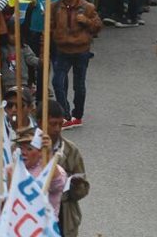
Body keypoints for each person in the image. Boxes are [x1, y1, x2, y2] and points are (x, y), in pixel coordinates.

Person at [51, 0, 102, 128]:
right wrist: (45, 52)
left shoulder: (87, 7)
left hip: (81, 51)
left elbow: (97, 27)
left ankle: (77, 115)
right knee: (57, 82)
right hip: (62, 50)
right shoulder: (55, 7)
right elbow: (49, 29)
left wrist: (86, 21)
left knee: (79, 85)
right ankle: (65, 115)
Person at [43, 101, 90, 237]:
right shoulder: (28, 149)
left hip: (63, 216)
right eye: (52, 124)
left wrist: (75, 186)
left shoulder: (71, 151)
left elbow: (83, 188)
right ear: (41, 122)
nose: (57, 129)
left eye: (60, 124)